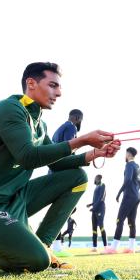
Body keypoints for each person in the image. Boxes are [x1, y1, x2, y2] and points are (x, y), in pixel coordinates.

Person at [0, 62, 120, 273]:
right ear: (31, 83)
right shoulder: (8, 108)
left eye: (59, 87)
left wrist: (94, 154)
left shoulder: (39, 124)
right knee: (36, 262)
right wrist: (81, 141)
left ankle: (43, 244)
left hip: (10, 200)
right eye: (53, 85)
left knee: (77, 178)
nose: (58, 93)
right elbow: (27, 156)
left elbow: (57, 162)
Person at [50, 109, 83, 256]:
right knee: (63, 209)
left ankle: (55, 245)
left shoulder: (58, 129)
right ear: (77, 118)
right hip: (63, 173)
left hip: (53, 173)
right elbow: (71, 148)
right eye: (80, 120)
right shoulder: (71, 127)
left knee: (57, 209)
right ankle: (56, 247)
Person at [105, 147, 140, 254]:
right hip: (137, 196)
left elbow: (128, 179)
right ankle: (131, 248)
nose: (125, 156)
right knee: (131, 222)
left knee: (119, 220)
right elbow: (139, 184)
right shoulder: (137, 166)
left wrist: (119, 192)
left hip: (129, 196)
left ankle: (113, 248)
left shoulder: (129, 165)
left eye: (125, 154)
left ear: (128, 154)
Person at [87, 174, 108, 252]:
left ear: (99, 179)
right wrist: (91, 204)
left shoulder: (103, 185)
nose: (95, 180)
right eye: (95, 178)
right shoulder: (96, 187)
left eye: (96, 178)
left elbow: (101, 198)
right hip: (94, 209)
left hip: (100, 209)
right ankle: (94, 247)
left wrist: (94, 207)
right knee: (94, 228)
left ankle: (106, 247)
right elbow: (96, 199)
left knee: (101, 226)